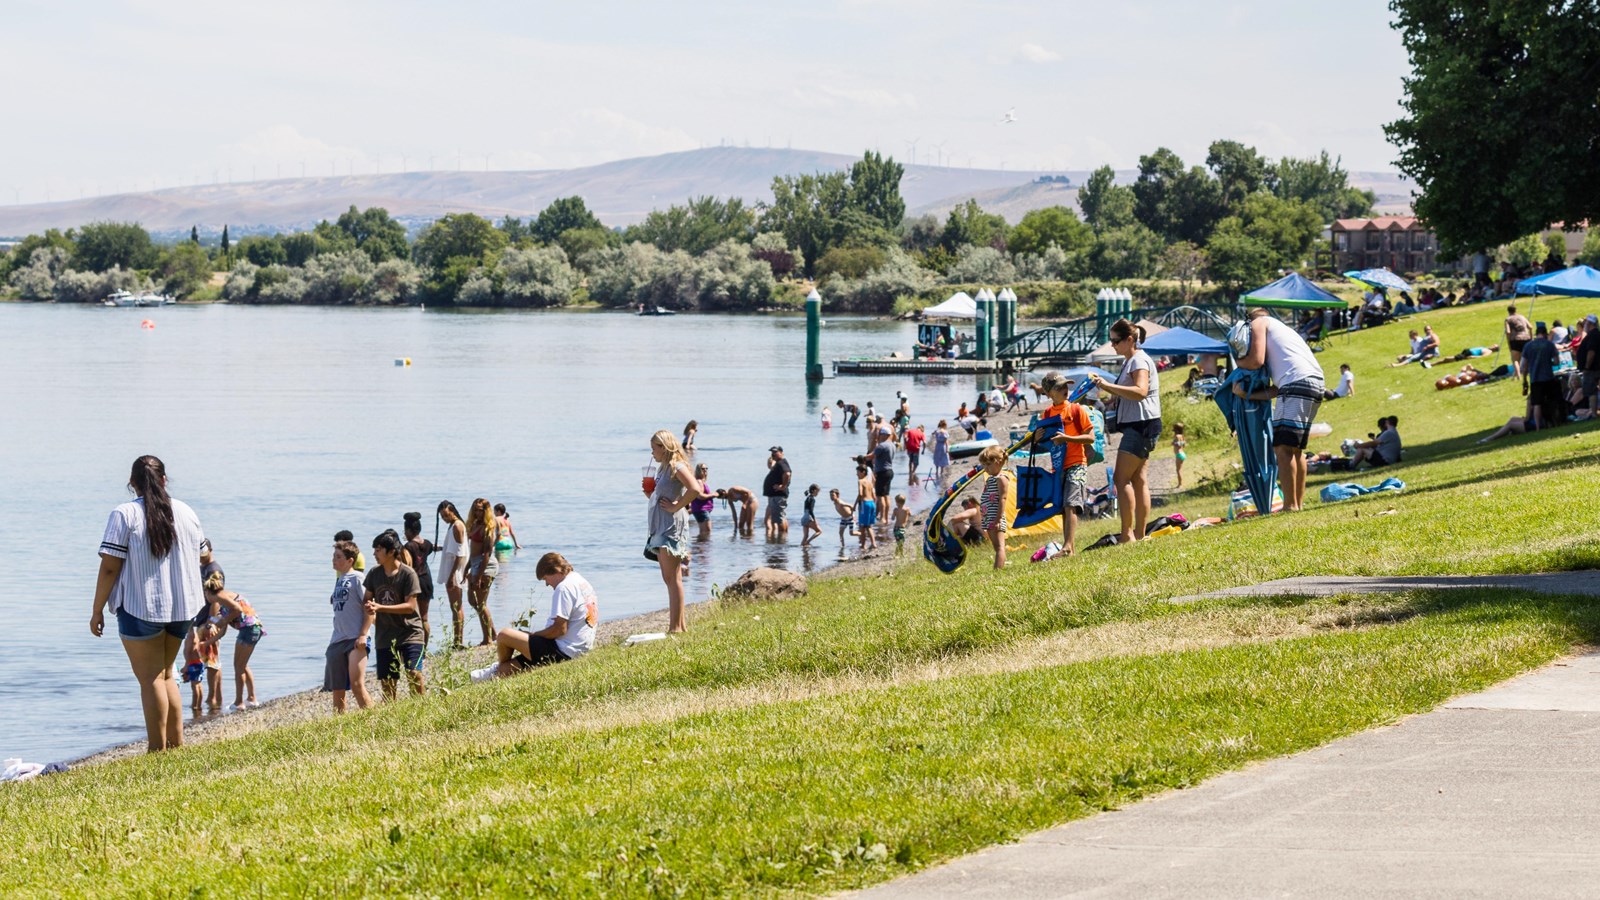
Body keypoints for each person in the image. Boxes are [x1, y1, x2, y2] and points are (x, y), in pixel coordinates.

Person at [90, 455, 208, 753]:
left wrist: (96, 610)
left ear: (132, 484)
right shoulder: (185, 510)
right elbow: (205, 554)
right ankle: (176, 744)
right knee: (167, 673)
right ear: (164, 480)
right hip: (183, 607)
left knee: (151, 678)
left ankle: (157, 750)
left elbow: (109, 567)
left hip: (140, 606)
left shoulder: (124, 514)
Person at [1230, 308, 1326, 513]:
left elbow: (1255, 361)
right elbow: (1276, 389)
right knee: (1296, 448)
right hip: (1313, 383)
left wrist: (1237, 363)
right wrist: (1247, 394)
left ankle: (1290, 506)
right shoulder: (1284, 332)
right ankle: (1297, 504)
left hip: (1296, 384)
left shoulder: (1258, 323)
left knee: (1282, 448)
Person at [1089, 319, 1162, 542]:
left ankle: (1127, 534)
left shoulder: (1138, 360)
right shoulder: (1131, 360)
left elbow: (1140, 391)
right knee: (1139, 479)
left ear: (1130, 340)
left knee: (1121, 480)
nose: (1112, 345)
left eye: (1116, 341)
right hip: (1144, 423)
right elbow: (1130, 394)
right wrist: (1112, 400)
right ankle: (1139, 534)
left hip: (1141, 425)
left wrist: (1106, 385)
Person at [480, 552, 597, 680]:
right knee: (504, 671)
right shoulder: (580, 580)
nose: (547, 584)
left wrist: (534, 635)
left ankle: (497, 667)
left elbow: (560, 629)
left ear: (555, 571)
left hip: (564, 650)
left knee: (504, 635)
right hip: (580, 648)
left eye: (545, 579)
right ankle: (497, 669)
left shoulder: (563, 588)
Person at [648, 430, 704, 633]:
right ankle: (680, 626)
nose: (652, 453)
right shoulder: (663, 468)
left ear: (664, 447)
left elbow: (695, 489)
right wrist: (650, 494)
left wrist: (677, 506)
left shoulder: (676, 466)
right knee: (671, 577)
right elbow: (664, 497)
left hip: (671, 526)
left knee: (672, 578)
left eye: (654, 448)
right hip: (661, 524)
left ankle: (675, 628)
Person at [1038, 371, 1094, 558]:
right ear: (1048, 394)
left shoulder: (1076, 410)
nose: (1065, 389)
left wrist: (1067, 438)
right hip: (1059, 466)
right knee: (1064, 507)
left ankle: (1068, 546)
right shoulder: (1046, 414)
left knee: (1071, 504)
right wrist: (1037, 439)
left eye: (1066, 385)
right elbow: (1047, 442)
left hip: (1078, 462)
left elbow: (1090, 437)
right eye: (1059, 387)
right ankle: (1068, 548)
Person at [364, 530, 425, 699]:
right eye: (374, 549)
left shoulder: (408, 574)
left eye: (378, 550)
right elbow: (366, 599)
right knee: (388, 682)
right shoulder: (374, 574)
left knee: (414, 673)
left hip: (410, 632)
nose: (374, 554)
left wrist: (380, 608)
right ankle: (391, 716)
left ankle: (421, 708)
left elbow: (410, 607)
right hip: (385, 635)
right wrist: (370, 609)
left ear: (391, 552)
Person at [200, 571, 265, 711]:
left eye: (205, 594)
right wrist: (207, 643)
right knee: (243, 665)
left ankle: (239, 703)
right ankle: (252, 698)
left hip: (249, 629)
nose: (206, 597)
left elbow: (237, 609)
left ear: (208, 592)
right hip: (253, 628)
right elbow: (222, 631)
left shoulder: (220, 596)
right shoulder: (225, 597)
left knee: (238, 667)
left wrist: (222, 620)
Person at [326, 540, 374, 713]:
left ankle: (373, 720)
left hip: (355, 638)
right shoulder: (339, 579)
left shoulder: (358, 579)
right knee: (337, 690)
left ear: (350, 560)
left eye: (338, 557)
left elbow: (370, 609)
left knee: (356, 684)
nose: (334, 560)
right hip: (337, 639)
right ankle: (339, 726)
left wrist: (363, 634)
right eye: (333, 556)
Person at [464, 499, 500, 646]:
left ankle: (488, 639)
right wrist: (467, 567)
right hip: (474, 564)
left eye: (480, 510)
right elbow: (473, 550)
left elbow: (486, 554)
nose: (478, 512)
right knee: (473, 601)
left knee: (481, 603)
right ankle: (493, 633)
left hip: (486, 566)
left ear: (486, 511)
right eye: (475, 509)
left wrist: (478, 575)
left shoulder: (488, 527)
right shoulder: (474, 524)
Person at [435, 501, 469, 649]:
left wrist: (452, 576)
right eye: (442, 516)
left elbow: (459, 554)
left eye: (446, 515)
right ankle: (457, 640)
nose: (444, 519)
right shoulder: (454, 525)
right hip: (453, 571)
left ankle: (458, 641)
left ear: (453, 511)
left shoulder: (457, 526)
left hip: (454, 572)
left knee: (456, 607)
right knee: (455, 606)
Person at [401, 512, 437, 648]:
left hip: (415, 582)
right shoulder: (427, 544)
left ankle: (415, 646)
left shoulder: (408, 546)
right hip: (427, 580)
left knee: (413, 618)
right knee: (425, 617)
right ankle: (425, 648)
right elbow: (435, 548)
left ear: (409, 530)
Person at [1521, 322, 1560, 430]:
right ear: (1545, 334)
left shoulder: (1528, 346)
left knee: (1537, 403)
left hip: (1535, 379)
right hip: (1548, 377)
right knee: (1552, 401)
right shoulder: (1549, 344)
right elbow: (1557, 362)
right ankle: (1555, 423)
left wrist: (1524, 380)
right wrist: (1549, 362)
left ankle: (1538, 427)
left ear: (1536, 334)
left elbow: (1523, 366)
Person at [977, 445, 1010, 569]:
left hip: (996, 518)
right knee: (996, 546)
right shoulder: (991, 478)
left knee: (1000, 547)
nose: (985, 468)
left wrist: (998, 519)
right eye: (984, 465)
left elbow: (1003, 499)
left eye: (988, 465)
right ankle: (998, 567)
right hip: (989, 517)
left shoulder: (1001, 479)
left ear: (998, 462)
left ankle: (998, 570)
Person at [763, 446, 792, 539]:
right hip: (775, 495)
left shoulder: (782, 463)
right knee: (779, 518)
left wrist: (782, 486)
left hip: (778, 496)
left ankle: (782, 539)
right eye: (772, 452)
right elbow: (771, 464)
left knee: (780, 519)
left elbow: (787, 474)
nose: (773, 453)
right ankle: (782, 538)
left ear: (781, 452)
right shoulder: (778, 463)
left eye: (775, 452)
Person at [1577, 315, 1600, 418]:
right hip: (1595, 368)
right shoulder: (1594, 334)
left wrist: (1587, 366)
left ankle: (1594, 413)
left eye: (1586, 323)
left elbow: (1591, 352)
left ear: (1590, 324)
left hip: (1592, 369)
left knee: (1592, 392)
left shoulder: (1593, 335)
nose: (1584, 324)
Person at [854, 464, 878, 552]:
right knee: (869, 526)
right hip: (872, 503)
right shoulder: (870, 482)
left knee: (862, 526)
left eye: (858, 473)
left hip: (865, 503)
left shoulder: (861, 481)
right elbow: (874, 496)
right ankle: (873, 543)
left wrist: (855, 505)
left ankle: (863, 545)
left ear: (863, 472)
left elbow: (860, 494)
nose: (857, 475)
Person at [1505, 304, 1533, 376]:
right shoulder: (1522, 317)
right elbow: (1530, 327)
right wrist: (1531, 338)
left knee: (1515, 360)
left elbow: (1508, 332)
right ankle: (1521, 373)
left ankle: (1518, 376)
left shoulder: (1508, 319)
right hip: (1526, 338)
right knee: (1524, 358)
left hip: (1515, 339)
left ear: (1508, 311)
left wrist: (1509, 342)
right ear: (1516, 310)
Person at [689, 463, 715, 539]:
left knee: (705, 532)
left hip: (701, 510)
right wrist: (714, 495)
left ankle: (699, 548)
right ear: (698, 470)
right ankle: (700, 549)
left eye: (706, 468)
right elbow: (700, 496)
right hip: (702, 510)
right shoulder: (699, 481)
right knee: (706, 532)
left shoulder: (701, 482)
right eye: (703, 469)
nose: (705, 470)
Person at [1171, 422, 1187, 489]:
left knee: (1178, 470)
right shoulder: (1182, 436)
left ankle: (1180, 484)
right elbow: (1184, 445)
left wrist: (1173, 443)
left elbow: (1178, 444)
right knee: (1179, 470)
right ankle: (1180, 483)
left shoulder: (1177, 436)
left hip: (1179, 454)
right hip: (1182, 453)